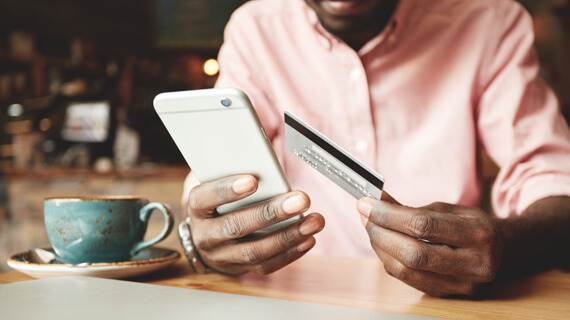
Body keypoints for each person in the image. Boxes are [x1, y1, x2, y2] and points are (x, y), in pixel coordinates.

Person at [181, 0, 570, 297]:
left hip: (444, 307)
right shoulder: (256, 30)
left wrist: (509, 246)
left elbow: (552, 179)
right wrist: (209, 235)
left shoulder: (490, 22)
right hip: (296, 299)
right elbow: (218, 184)